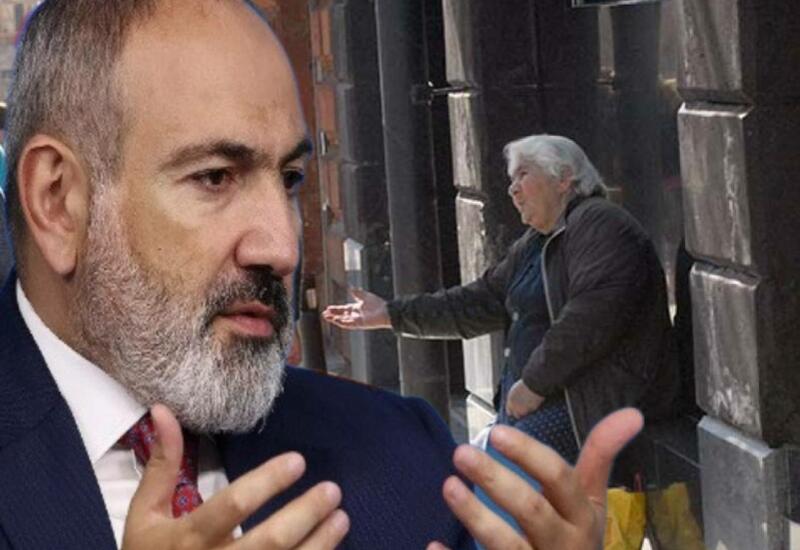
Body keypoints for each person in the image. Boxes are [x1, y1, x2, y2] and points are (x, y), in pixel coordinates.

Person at [0, 1, 639, 549]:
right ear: (58, 202)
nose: (282, 247)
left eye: (289, 179)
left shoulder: (404, 453)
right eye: (215, 177)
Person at [324, 134, 679, 478]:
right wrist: (392, 314)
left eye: (523, 174)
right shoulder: (535, 242)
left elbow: (589, 320)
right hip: (538, 405)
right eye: (512, 179)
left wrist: (534, 384)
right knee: (466, 478)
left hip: (590, 409)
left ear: (564, 179)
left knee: (484, 488)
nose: (512, 189)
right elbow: (479, 300)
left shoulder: (601, 225)